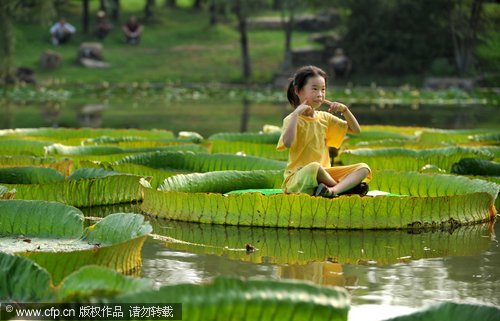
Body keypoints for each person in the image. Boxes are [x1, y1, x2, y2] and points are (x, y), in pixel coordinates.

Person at [276, 65, 371, 198]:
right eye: (314, 89)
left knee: (363, 168)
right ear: (298, 90)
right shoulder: (291, 119)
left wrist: (345, 111)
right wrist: (296, 114)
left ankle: (333, 190)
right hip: (299, 176)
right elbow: (287, 143)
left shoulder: (325, 117)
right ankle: (345, 189)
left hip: (326, 173)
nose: (320, 94)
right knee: (314, 167)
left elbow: (356, 130)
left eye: (323, 89)